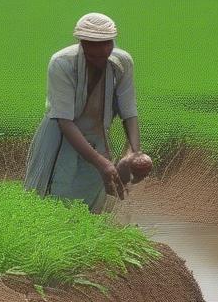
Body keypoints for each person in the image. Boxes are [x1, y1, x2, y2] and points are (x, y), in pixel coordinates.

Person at [24, 12, 148, 214]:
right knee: (57, 191)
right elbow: (64, 120)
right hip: (61, 136)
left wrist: (134, 151)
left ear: (112, 41)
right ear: (81, 43)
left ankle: (88, 234)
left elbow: (129, 109)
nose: (100, 52)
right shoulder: (62, 63)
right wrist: (102, 163)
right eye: (93, 46)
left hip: (97, 134)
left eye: (106, 44)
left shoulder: (122, 62)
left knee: (92, 193)